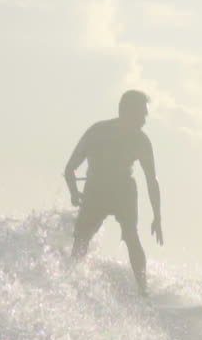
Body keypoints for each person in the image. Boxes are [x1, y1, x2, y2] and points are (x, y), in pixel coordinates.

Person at [63, 89, 162, 296]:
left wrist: (157, 215)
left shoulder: (141, 141)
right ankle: (69, 286)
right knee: (81, 239)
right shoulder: (97, 132)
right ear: (126, 112)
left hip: (123, 191)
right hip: (95, 191)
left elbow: (151, 180)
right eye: (141, 114)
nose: (144, 120)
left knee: (131, 236)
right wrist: (74, 192)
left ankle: (143, 294)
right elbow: (70, 168)